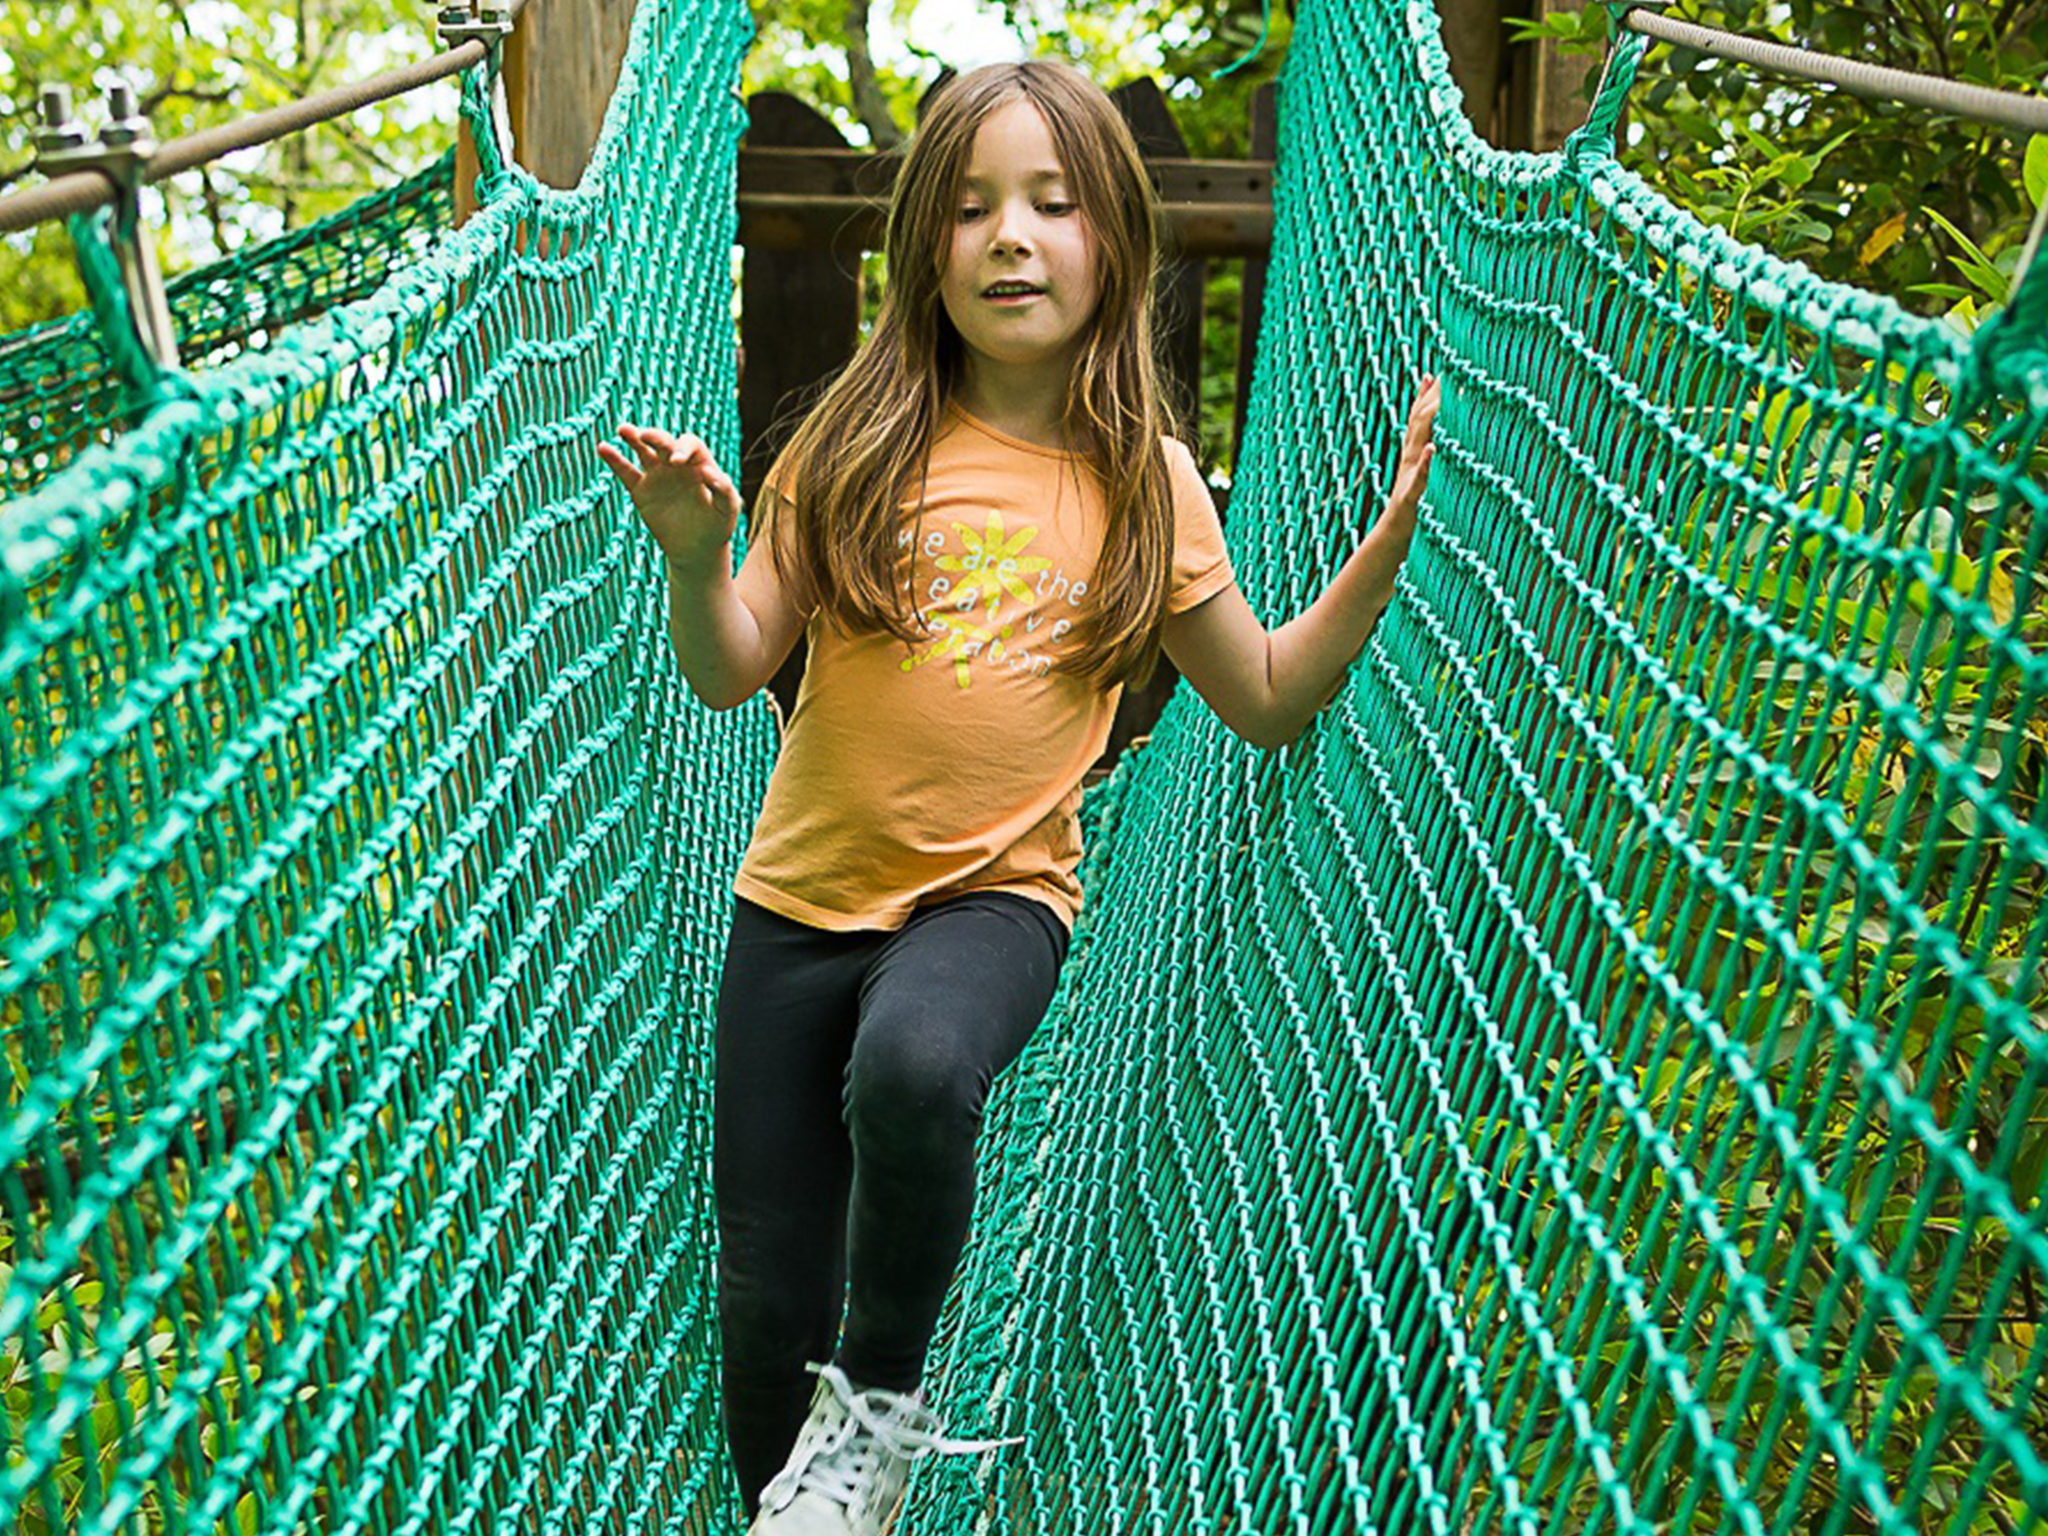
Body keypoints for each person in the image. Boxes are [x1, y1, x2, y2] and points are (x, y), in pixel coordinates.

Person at [596, 58, 1438, 1536]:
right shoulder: (851, 449)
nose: (1011, 236)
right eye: (975, 206)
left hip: (997, 901)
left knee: (920, 1071)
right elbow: (733, 672)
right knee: (760, 1308)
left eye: (1053, 204)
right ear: (928, 245)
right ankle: (798, 1494)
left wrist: (1384, 555)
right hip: (792, 907)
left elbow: (1261, 692)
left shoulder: (1148, 481)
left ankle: (881, 1412)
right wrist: (688, 548)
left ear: (1110, 243)